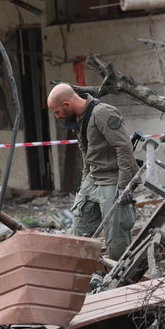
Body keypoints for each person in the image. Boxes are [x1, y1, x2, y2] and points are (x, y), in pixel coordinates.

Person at [47, 84, 137, 260]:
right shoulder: (77, 119)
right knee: (80, 230)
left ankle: (119, 277)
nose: (57, 117)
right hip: (93, 178)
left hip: (112, 179)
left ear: (67, 104)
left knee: (116, 236)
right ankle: (84, 273)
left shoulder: (103, 113)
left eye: (57, 112)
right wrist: (83, 185)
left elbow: (124, 148)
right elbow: (86, 153)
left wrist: (124, 186)